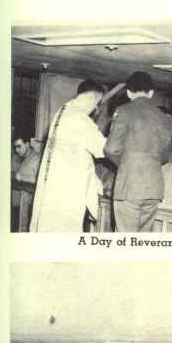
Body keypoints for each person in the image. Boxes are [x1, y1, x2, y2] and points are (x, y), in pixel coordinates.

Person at [30, 80, 105, 232]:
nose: (96, 108)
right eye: (98, 102)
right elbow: (102, 148)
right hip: (67, 189)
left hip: (54, 185)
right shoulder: (80, 118)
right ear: (92, 98)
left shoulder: (63, 111)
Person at [104, 71, 172, 232]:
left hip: (130, 186)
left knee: (125, 240)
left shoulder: (124, 111)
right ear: (151, 93)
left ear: (128, 92)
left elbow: (111, 148)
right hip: (154, 188)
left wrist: (127, 164)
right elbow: (165, 156)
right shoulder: (165, 118)